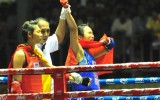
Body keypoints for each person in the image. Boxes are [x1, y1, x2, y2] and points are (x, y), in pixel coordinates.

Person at [35, 1, 90, 93]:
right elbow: (48, 67)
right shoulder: (30, 49)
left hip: (49, 93)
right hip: (35, 93)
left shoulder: (46, 43)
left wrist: (64, 13)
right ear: (34, 31)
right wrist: (70, 76)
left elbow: (58, 37)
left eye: (47, 31)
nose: (45, 34)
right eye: (42, 31)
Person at [65, 9, 115, 100]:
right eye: (89, 33)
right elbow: (73, 29)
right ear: (80, 37)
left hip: (93, 95)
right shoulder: (77, 50)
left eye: (92, 33)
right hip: (81, 95)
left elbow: (111, 45)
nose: (92, 36)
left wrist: (107, 40)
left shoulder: (91, 52)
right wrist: (66, 11)